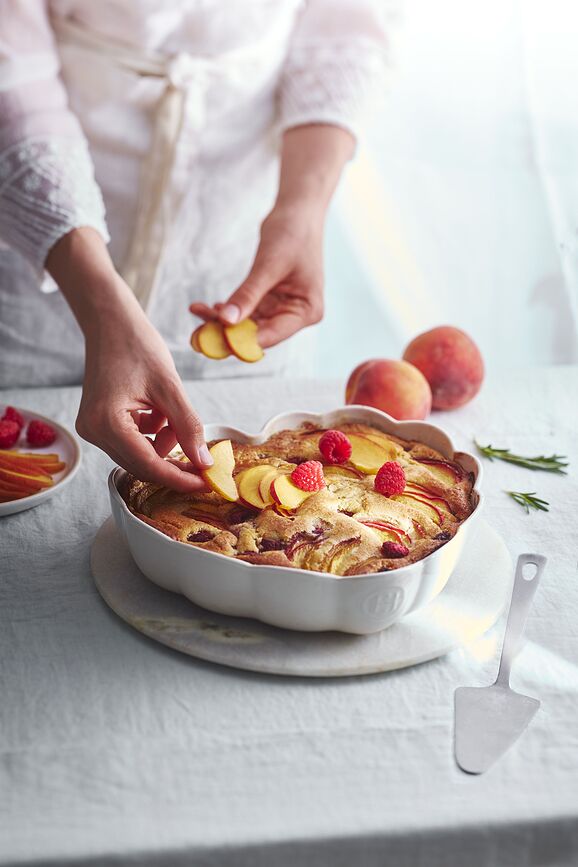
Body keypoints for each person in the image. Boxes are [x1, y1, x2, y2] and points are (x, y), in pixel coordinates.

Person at [0, 0, 391, 490]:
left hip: (241, 241)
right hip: (42, 251)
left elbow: (347, 28)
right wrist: (101, 308)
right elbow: (11, 69)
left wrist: (302, 212)